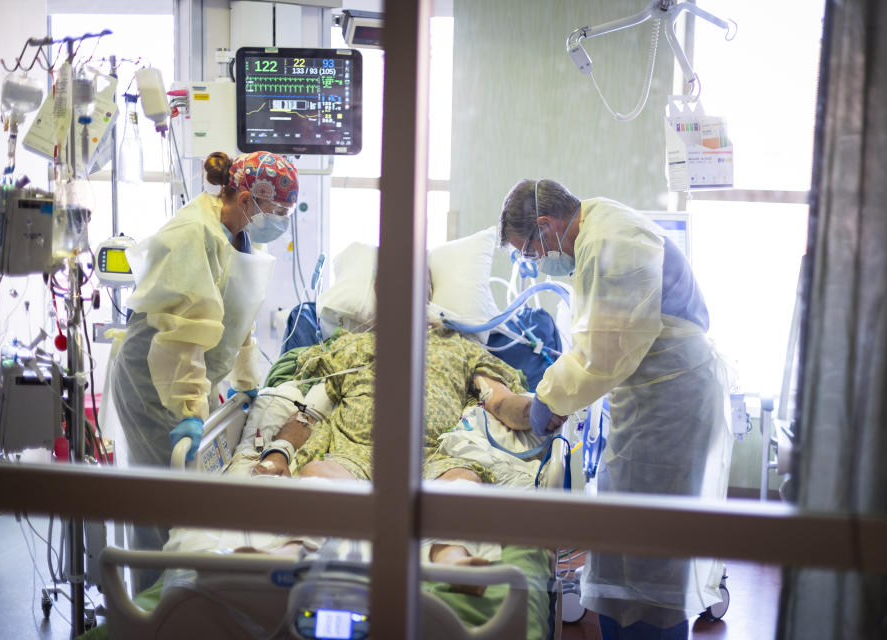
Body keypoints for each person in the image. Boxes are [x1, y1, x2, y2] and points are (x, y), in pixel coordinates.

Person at [498, 179, 733, 640]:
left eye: (527, 252)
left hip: (672, 404)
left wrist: (547, 399)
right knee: (629, 543)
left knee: (653, 551)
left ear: (546, 226)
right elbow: (599, 342)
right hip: (653, 397)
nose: (531, 265)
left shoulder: (612, 242)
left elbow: (601, 353)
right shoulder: (597, 229)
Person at [108, 150, 298, 586]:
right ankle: (155, 608)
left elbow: (239, 321)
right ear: (248, 198)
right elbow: (182, 336)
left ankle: (179, 594)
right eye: (277, 210)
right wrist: (193, 412)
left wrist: (247, 385)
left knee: (182, 498)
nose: (281, 221)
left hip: (188, 371)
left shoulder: (240, 236)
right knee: (161, 502)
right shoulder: (194, 233)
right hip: (154, 376)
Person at [252, 323, 532, 583]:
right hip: (356, 452)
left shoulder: (461, 348)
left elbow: (501, 402)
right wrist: (279, 451)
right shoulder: (354, 345)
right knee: (318, 473)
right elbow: (309, 410)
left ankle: (451, 558)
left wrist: (537, 411)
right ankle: (293, 550)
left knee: (462, 480)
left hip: (431, 455)